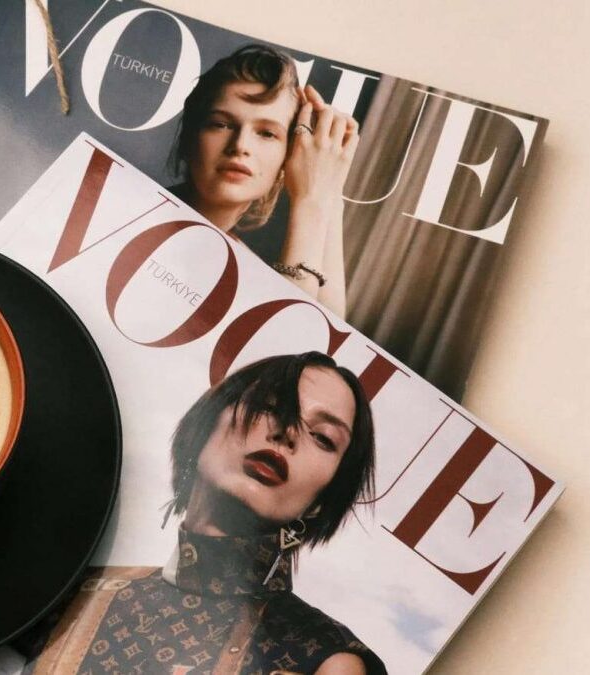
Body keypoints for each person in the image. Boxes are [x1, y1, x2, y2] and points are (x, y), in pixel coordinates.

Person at [25, 352, 386, 674]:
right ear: (207, 424)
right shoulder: (82, 589)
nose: (287, 431)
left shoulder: (325, 656)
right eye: (269, 405)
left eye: (323, 438)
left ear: (322, 500)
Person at [170, 45, 359, 318]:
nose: (240, 145)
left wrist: (328, 190)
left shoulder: (245, 268)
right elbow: (287, 336)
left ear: (287, 161)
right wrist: (310, 201)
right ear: (189, 138)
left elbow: (327, 333)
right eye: (221, 124)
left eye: (267, 133)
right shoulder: (133, 213)